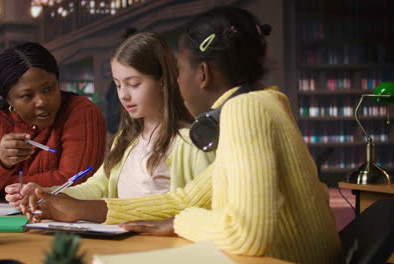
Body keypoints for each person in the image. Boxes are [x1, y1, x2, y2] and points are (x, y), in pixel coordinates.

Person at [21, 8, 343, 263]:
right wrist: (78, 208)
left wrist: (178, 222)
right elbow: (187, 198)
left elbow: (246, 235)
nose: (176, 80)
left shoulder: (245, 110)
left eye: (179, 69)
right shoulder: (262, 104)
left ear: (202, 74)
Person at [6, 32, 214, 207]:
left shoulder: (189, 142)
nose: (123, 95)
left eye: (133, 84)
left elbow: (203, 212)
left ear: (162, 81)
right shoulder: (127, 138)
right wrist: (46, 193)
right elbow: (98, 187)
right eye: (118, 84)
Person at [0, 42, 106, 192]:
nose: (42, 102)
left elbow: (75, 182)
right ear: (8, 100)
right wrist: (0, 160)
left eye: (49, 89)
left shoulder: (80, 111)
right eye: (27, 96)